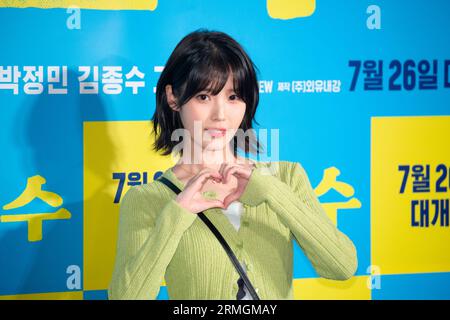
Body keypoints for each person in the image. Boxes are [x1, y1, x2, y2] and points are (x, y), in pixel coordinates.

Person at [108, 28, 358, 300]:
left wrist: (272, 193)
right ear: (173, 98)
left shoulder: (286, 177)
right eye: (204, 97)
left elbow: (342, 266)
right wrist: (178, 213)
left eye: (233, 97)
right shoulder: (147, 199)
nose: (220, 115)